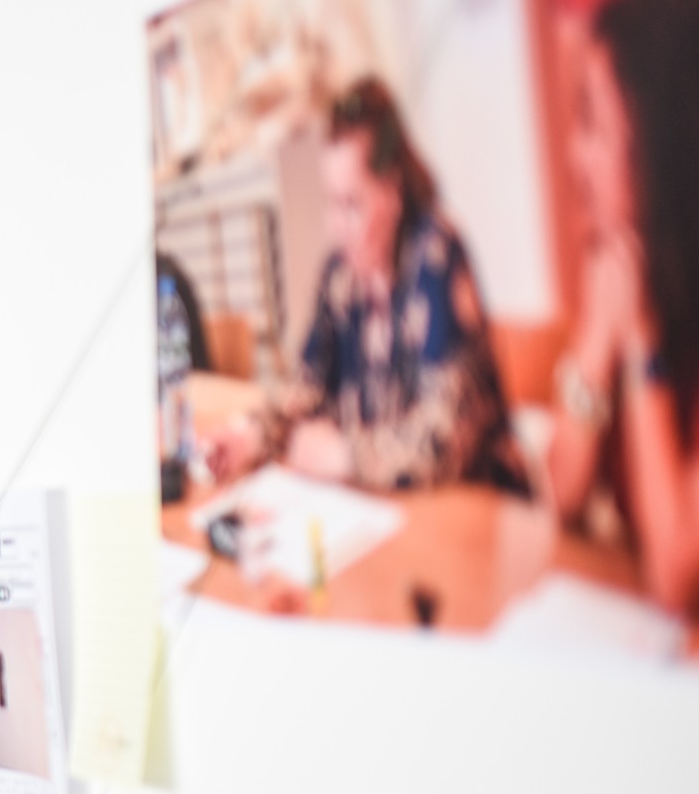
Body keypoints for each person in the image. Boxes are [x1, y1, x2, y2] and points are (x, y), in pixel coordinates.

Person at [206, 77, 528, 496]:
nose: (334, 228)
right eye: (331, 202)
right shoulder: (340, 276)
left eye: (351, 205)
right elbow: (306, 387)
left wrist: (346, 456)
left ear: (392, 191)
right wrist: (251, 435)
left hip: (477, 508)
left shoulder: (436, 255)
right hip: (397, 509)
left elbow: (443, 441)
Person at [546, 0, 699, 616]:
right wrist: (598, 336)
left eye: (591, 123)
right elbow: (559, 491)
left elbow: (677, 577)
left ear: (660, 141)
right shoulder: (626, 272)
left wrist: (641, 341)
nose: (574, 155)